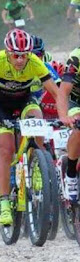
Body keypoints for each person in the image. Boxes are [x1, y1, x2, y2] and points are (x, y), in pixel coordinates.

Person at [0, 29, 64, 226]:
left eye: (24, 55)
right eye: (16, 55)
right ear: (8, 52)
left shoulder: (34, 62)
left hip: (25, 101)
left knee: (38, 121)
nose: (20, 60)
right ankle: (5, 201)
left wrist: (64, 115)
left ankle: (37, 166)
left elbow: (57, 93)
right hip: (1, 107)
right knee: (6, 150)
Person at [58, 47, 80, 202]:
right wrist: (64, 116)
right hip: (75, 101)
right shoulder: (76, 57)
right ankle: (71, 175)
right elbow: (64, 91)